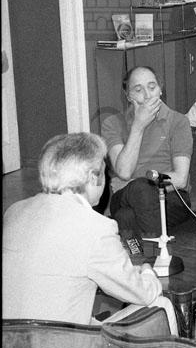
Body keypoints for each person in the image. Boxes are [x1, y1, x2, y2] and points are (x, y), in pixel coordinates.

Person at [2, 133, 177, 334]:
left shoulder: (14, 211)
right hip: (59, 347)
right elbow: (143, 294)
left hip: (12, 345)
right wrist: (147, 271)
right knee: (161, 305)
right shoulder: (96, 227)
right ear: (94, 177)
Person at [102, 66, 192, 239]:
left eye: (152, 87)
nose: (147, 95)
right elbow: (124, 171)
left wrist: (140, 183)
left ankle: (141, 255)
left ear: (160, 90)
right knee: (139, 190)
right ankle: (160, 251)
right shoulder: (112, 124)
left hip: (171, 197)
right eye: (138, 90)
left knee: (126, 216)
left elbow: (180, 179)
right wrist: (138, 126)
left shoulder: (178, 122)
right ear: (128, 96)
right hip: (125, 197)